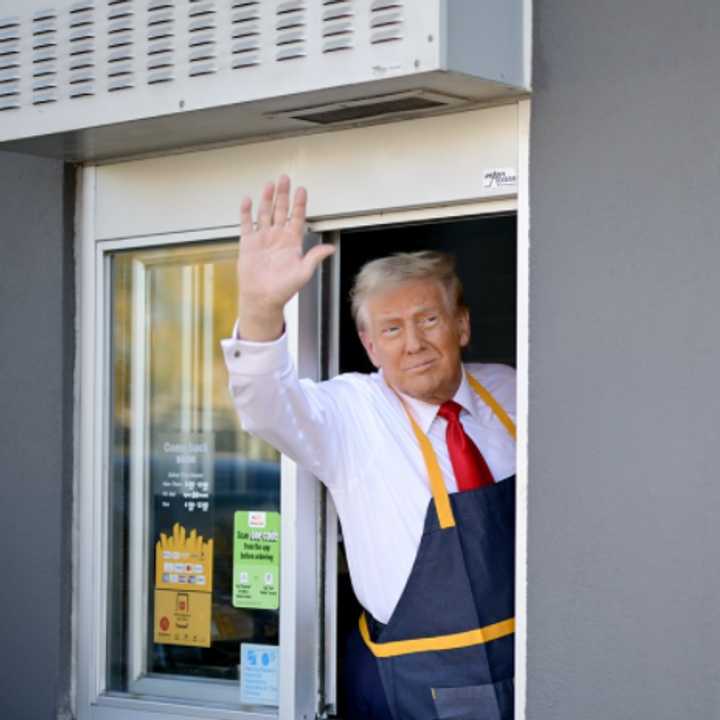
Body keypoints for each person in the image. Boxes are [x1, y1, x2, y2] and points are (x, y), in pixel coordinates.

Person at [221, 175, 516, 720]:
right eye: (393, 328)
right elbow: (264, 403)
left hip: (531, 664)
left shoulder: (509, 391)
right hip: (418, 685)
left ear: (463, 325)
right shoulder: (351, 412)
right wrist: (261, 306)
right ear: (369, 344)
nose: (416, 343)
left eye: (429, 320)